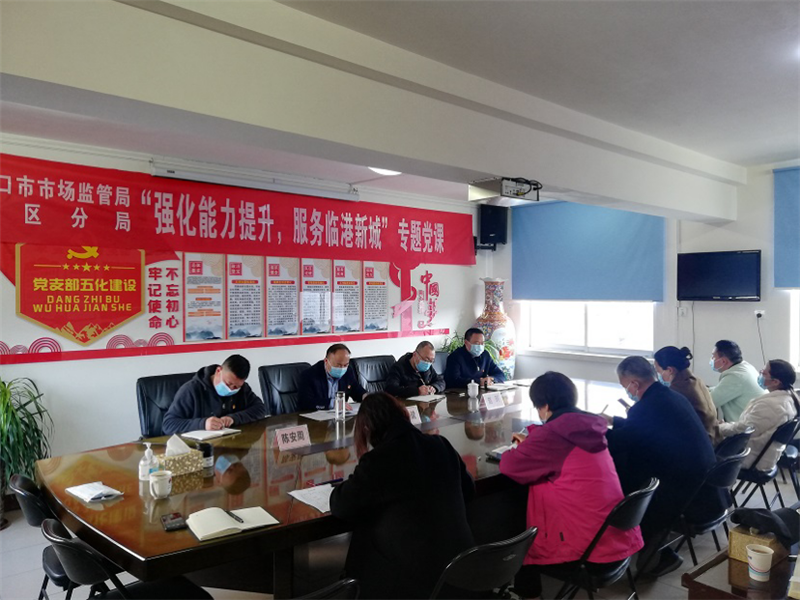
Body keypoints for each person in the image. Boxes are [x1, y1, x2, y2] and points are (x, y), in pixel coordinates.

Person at [500, 372, 643, 599]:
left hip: (589, 551)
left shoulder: (552, 435)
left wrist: (520, 447)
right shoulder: (588, 427)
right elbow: (559, 453)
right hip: (616, 539)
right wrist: (534, 442)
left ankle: (527, 593)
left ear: (545, 406)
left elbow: (510, 466)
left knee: (520, 530)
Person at [330, 392, 475, 599]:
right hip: (462, 571)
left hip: (417, 583)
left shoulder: (379, 460)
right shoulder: (441, 444)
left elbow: (341, 506)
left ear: (367, 429)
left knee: (364, 538)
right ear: (404, 415)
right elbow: (469, 490)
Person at [605, 356, 725, 577]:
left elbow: (623, 441)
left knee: (624, 478)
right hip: (706, 483)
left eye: (624, 386)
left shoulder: (647, 407)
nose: (626, 391)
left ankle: (650, 553)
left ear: (634, 383)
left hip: (686, 491)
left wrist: (595, 430)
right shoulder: (670, 396)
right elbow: (643, 428)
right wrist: (613, 421)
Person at [718, 359, 800, 471]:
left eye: (763, 373)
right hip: (764, 456)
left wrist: (719, 427)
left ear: (775, 382)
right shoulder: (789, 399)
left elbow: (743, 430)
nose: (760, 374)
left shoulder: (771, 405)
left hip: (751, 459)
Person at [162, 354, 267, 434]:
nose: (231, 389)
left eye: (236, 387)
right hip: (199, 451)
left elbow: (260, 409)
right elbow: (168, 425)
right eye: (228, 384)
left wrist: (234, 418)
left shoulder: (242, 389)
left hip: (232, 446)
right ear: (218, 371)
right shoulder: (191, 390)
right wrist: (203, 424)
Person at [654, 346, 718, 442]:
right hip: (713, 437)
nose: (658, 376)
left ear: (670, 370)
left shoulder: (677, 390)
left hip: (700, 442)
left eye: (658, 371)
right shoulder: (696, 381)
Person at [297, 343, 366, 411]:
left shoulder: (348, 371)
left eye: (345, 365)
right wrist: (333, 403)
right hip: (316, 416)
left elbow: (356, 389)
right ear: (326, 361)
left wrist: (365, 396)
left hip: (339, 415)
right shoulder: (309, 375)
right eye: (338, 365)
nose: (342, 368)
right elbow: (305, 403)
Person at [709, 340, 763, 422]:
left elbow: (708, 402)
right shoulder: (744, 367)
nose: (711, 359)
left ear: (723, 361)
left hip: (747, 428)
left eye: (713, 357)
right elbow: (719, 389)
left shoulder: (736, 376)